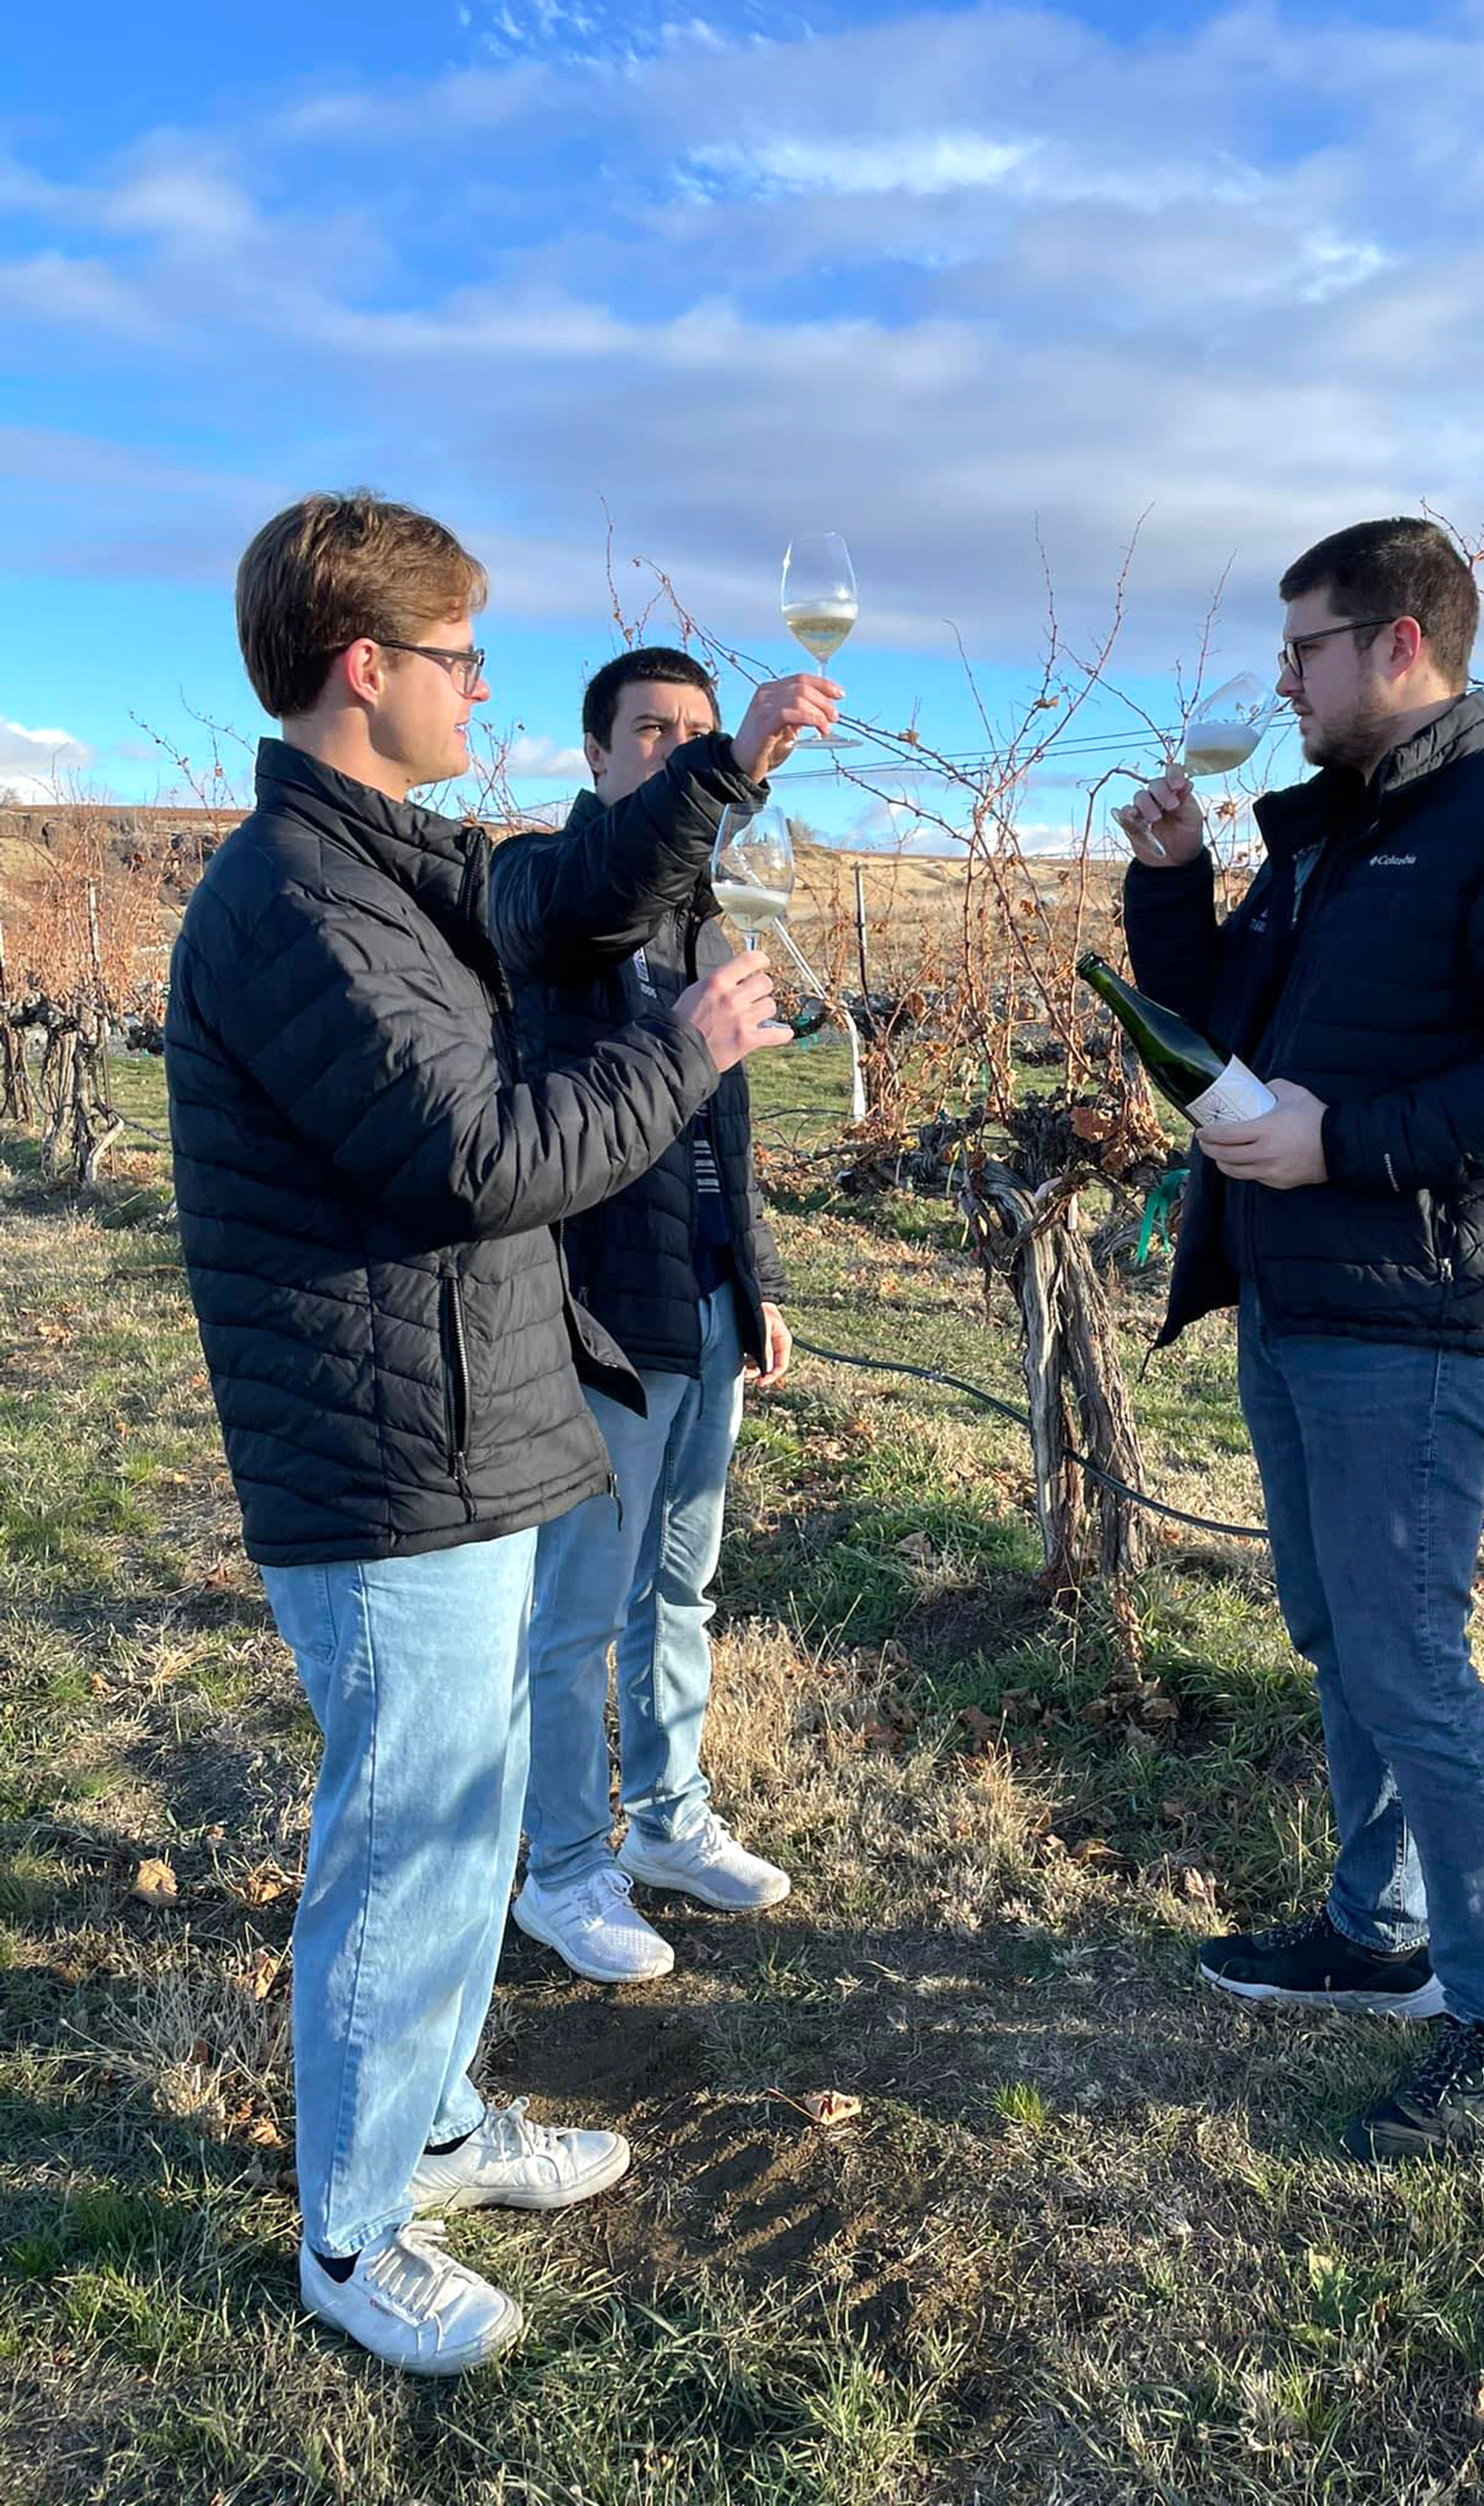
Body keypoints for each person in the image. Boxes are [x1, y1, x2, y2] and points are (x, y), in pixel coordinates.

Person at [164, 489, 837, 2371]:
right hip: (385, 1460)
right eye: (462, 657)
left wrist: (724, 783)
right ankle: (354, 2229)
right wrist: (687, 1049)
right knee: (409, 1836)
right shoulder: (292, 902)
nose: (486, 686)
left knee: (456, 1832)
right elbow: (481, 1157)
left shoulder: (380, 854)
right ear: (366, 669)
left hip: (452, 1423)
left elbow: (547, 893)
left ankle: (437, 2124)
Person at [1118, 517, 1484, 2161]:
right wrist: (1169, 880)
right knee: (1341, 1636)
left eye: (1305, 650)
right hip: (1294, 1298)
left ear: (1400, 644)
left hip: (1415, 1318)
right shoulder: (1334, 839)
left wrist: (1343, 1144)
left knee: (1411, 1658)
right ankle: (1377, 1923)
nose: (1283, 681)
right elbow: (1220, 1039)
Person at [503, 649, 795, 1985]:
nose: (677, 752)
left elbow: (725, 1122)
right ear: (595, 755)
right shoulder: (564, 903)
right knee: (579, 1609)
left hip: (708, 1310)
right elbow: (608, 903)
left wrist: (761, 1283)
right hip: (606, 1318)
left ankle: (668, 1822)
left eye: (694, 734)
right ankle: (562, 1866)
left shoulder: (703, 913)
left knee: (684, 1584)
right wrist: (725, 765)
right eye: (653, 734)